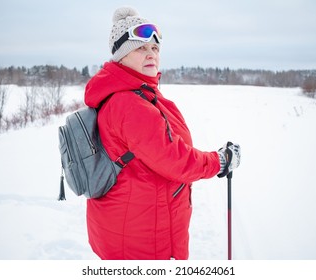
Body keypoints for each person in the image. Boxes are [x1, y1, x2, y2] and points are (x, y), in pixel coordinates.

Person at [84, 6, 241, 260]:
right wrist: (219, 161)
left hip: (133, 229)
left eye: (155, 48)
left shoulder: (137, 95)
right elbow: (176, 160)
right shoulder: (129, 103)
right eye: (141, 48)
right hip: (143, 242)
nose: (151, 54)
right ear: (121, 56)